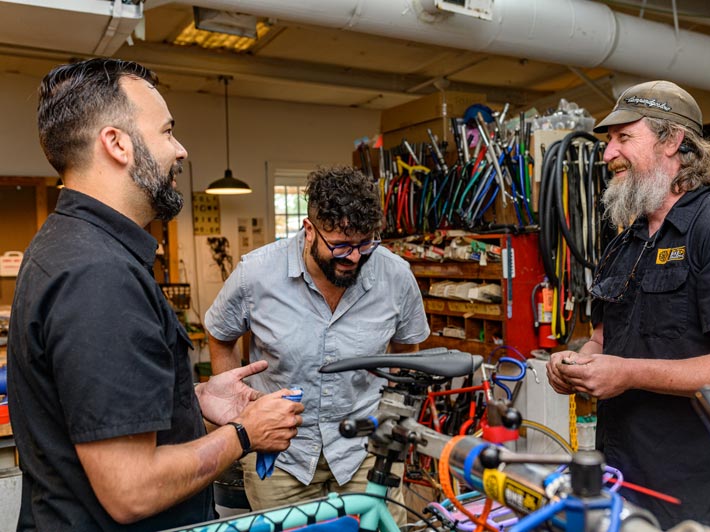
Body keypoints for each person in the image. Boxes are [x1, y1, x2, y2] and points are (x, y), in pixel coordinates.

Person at [7, 58, 304, 531]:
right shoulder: (98, 274)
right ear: (117, 144)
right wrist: (247, 433)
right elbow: (132, 489)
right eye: (167, 132)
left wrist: (191, 398)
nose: (180, 150)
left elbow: (94, 409)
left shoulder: (71, 244)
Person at [546, 80, 710, 531]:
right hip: (628, 488)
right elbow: (605, 340)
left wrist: (626, 373)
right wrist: (579, 364)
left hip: (706, 502)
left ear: (672, 141)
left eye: (624, 138)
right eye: (608, 141)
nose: (608, 155)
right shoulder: (626, 243)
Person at [204, 165, 430, 520]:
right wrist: (240, 413)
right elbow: (220, 333)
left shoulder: (396, 276)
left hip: (365, 447)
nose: (354, 257)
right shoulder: (257, 274)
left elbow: (407, 351)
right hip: (280, 454)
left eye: (364, 243)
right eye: (340, 245)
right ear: (308, 230)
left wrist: (394, 418)